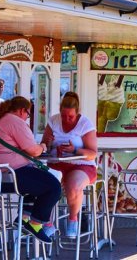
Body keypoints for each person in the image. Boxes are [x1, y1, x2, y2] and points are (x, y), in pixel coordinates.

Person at [0, 96, 61, 243]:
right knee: (54, 187)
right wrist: (43, 146)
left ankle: (23, 218)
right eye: (27, 115)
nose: (26, 118)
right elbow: (34, 151)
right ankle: (36, 224)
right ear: (22, 110)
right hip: (9, 174)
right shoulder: (14, 121)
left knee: (36, 182)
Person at [41, 92, 98, 237]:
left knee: (73, 185)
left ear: (77, 113)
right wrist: (48, 143)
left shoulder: (85, 124)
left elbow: (92, 153)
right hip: (56, 163)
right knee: (38, 183)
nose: (66, 119)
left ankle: (73, 219)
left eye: (70, 117)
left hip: (81, 165)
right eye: (63, 116)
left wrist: (75, 150)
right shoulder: (54, 120)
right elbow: (43, 146)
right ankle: (46, 222)